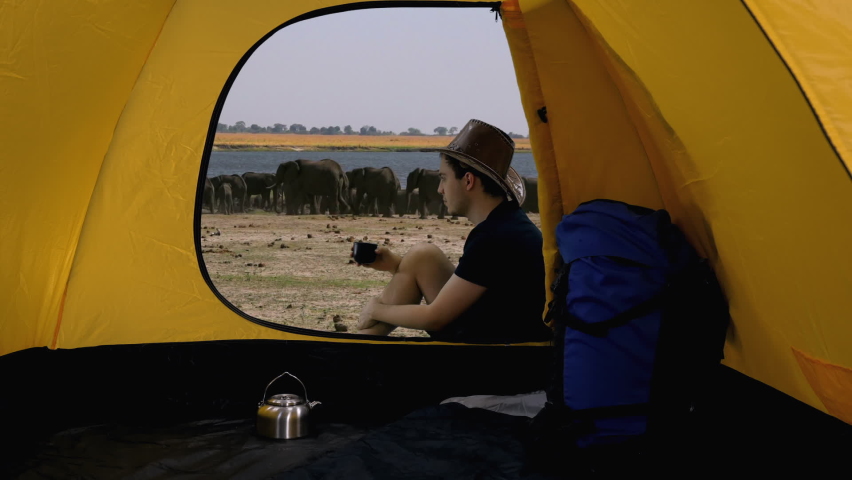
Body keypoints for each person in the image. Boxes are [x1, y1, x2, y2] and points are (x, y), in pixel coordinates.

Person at [355, 119, 552, 343]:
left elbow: (435, 318)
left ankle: (356, 348)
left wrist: (375, 309)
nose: (439, 189)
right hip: (498, 330)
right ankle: (361, 344)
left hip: (494, 350)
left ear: (468, 180)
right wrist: (395, 266)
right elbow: (467, 286)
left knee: (422, 256)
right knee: (423, 255)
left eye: (443, 178)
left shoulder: (494, 238)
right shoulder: (508, 223)